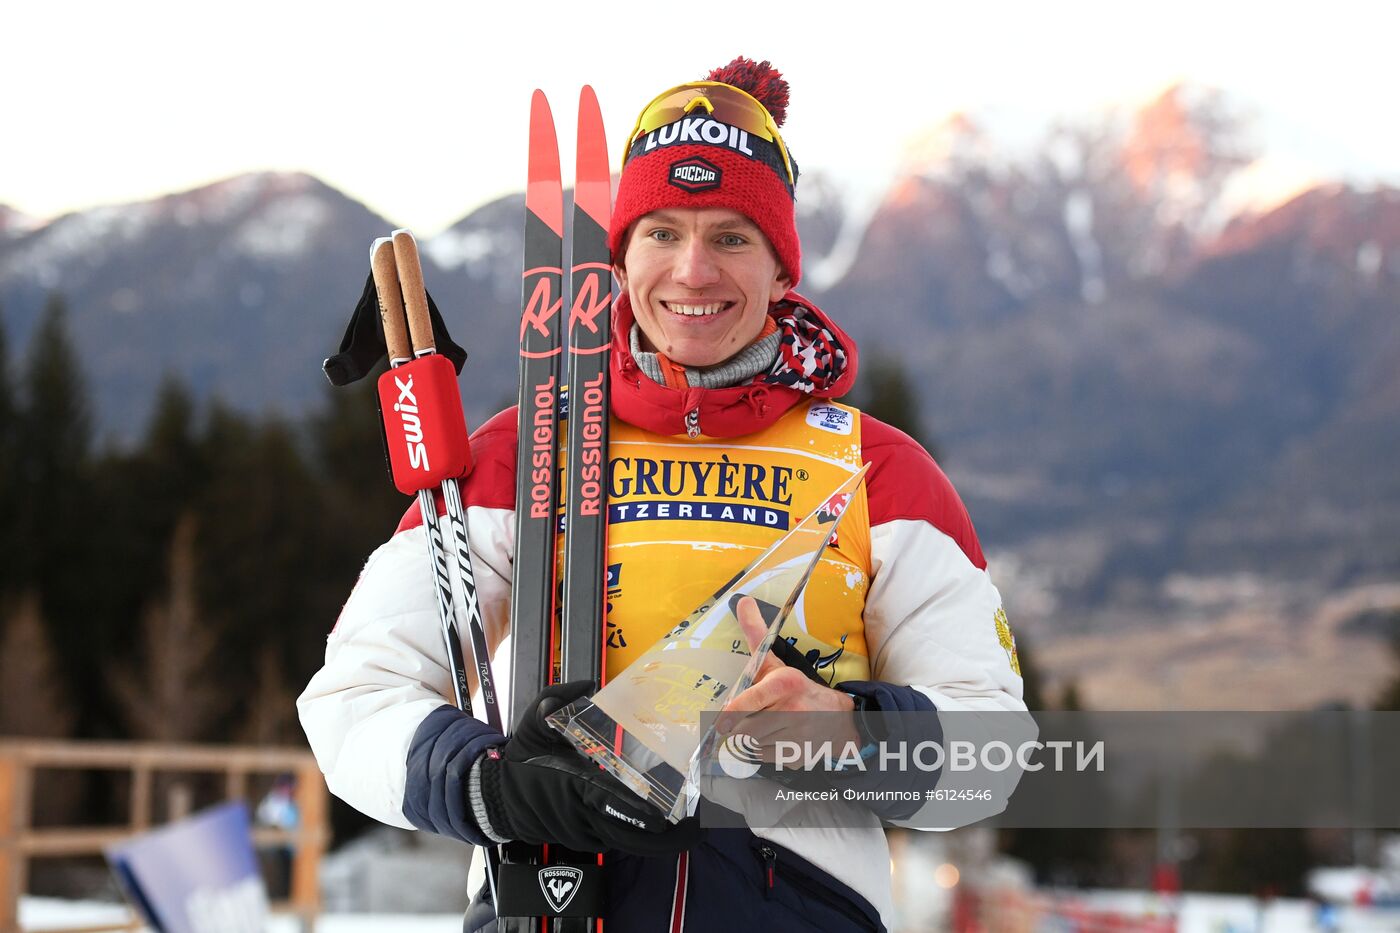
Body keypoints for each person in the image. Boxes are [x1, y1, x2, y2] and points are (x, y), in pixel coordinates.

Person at [298, 56, 1025, 932]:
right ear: (618, 256)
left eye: (731, 236)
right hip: (557, 905)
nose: (692, 271)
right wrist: (492, 784)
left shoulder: (883, 472)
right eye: (662, 233)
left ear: (781, 269)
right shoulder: (520, 455)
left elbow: (994, 751)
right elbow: (354, 699)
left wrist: (848, 734)